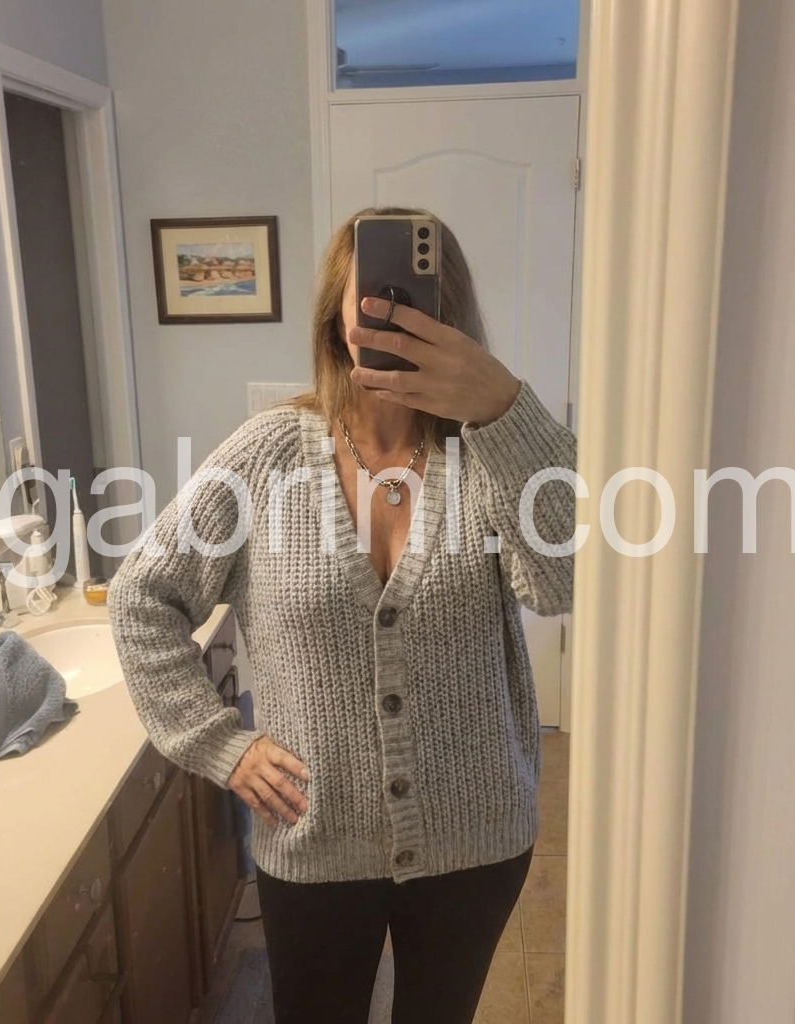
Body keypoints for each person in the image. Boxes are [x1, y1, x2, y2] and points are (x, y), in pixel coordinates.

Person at [109, 206, 577, 1024]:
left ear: (454, 316)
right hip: (314, 840)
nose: (396, 318)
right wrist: (219, 743)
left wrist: (506, 406)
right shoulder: (266, 456)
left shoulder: (492, 451)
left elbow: (562, 580)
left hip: (476, 838)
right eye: (376, 298)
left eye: (417, 300)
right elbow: (141, 595)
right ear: (336, 316)